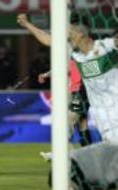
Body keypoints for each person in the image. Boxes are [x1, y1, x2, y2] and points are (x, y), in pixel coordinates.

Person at [17, 14, 93, 146]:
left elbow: (73, 66)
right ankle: (89, 160)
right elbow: (47, 40)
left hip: (81, 88)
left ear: (77, 28)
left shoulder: (85, 45)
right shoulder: (70, 42)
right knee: (82, 124)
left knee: (67, 124)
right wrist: (27, 24)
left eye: (68, 25)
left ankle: (61, 159)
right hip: (77, 88)